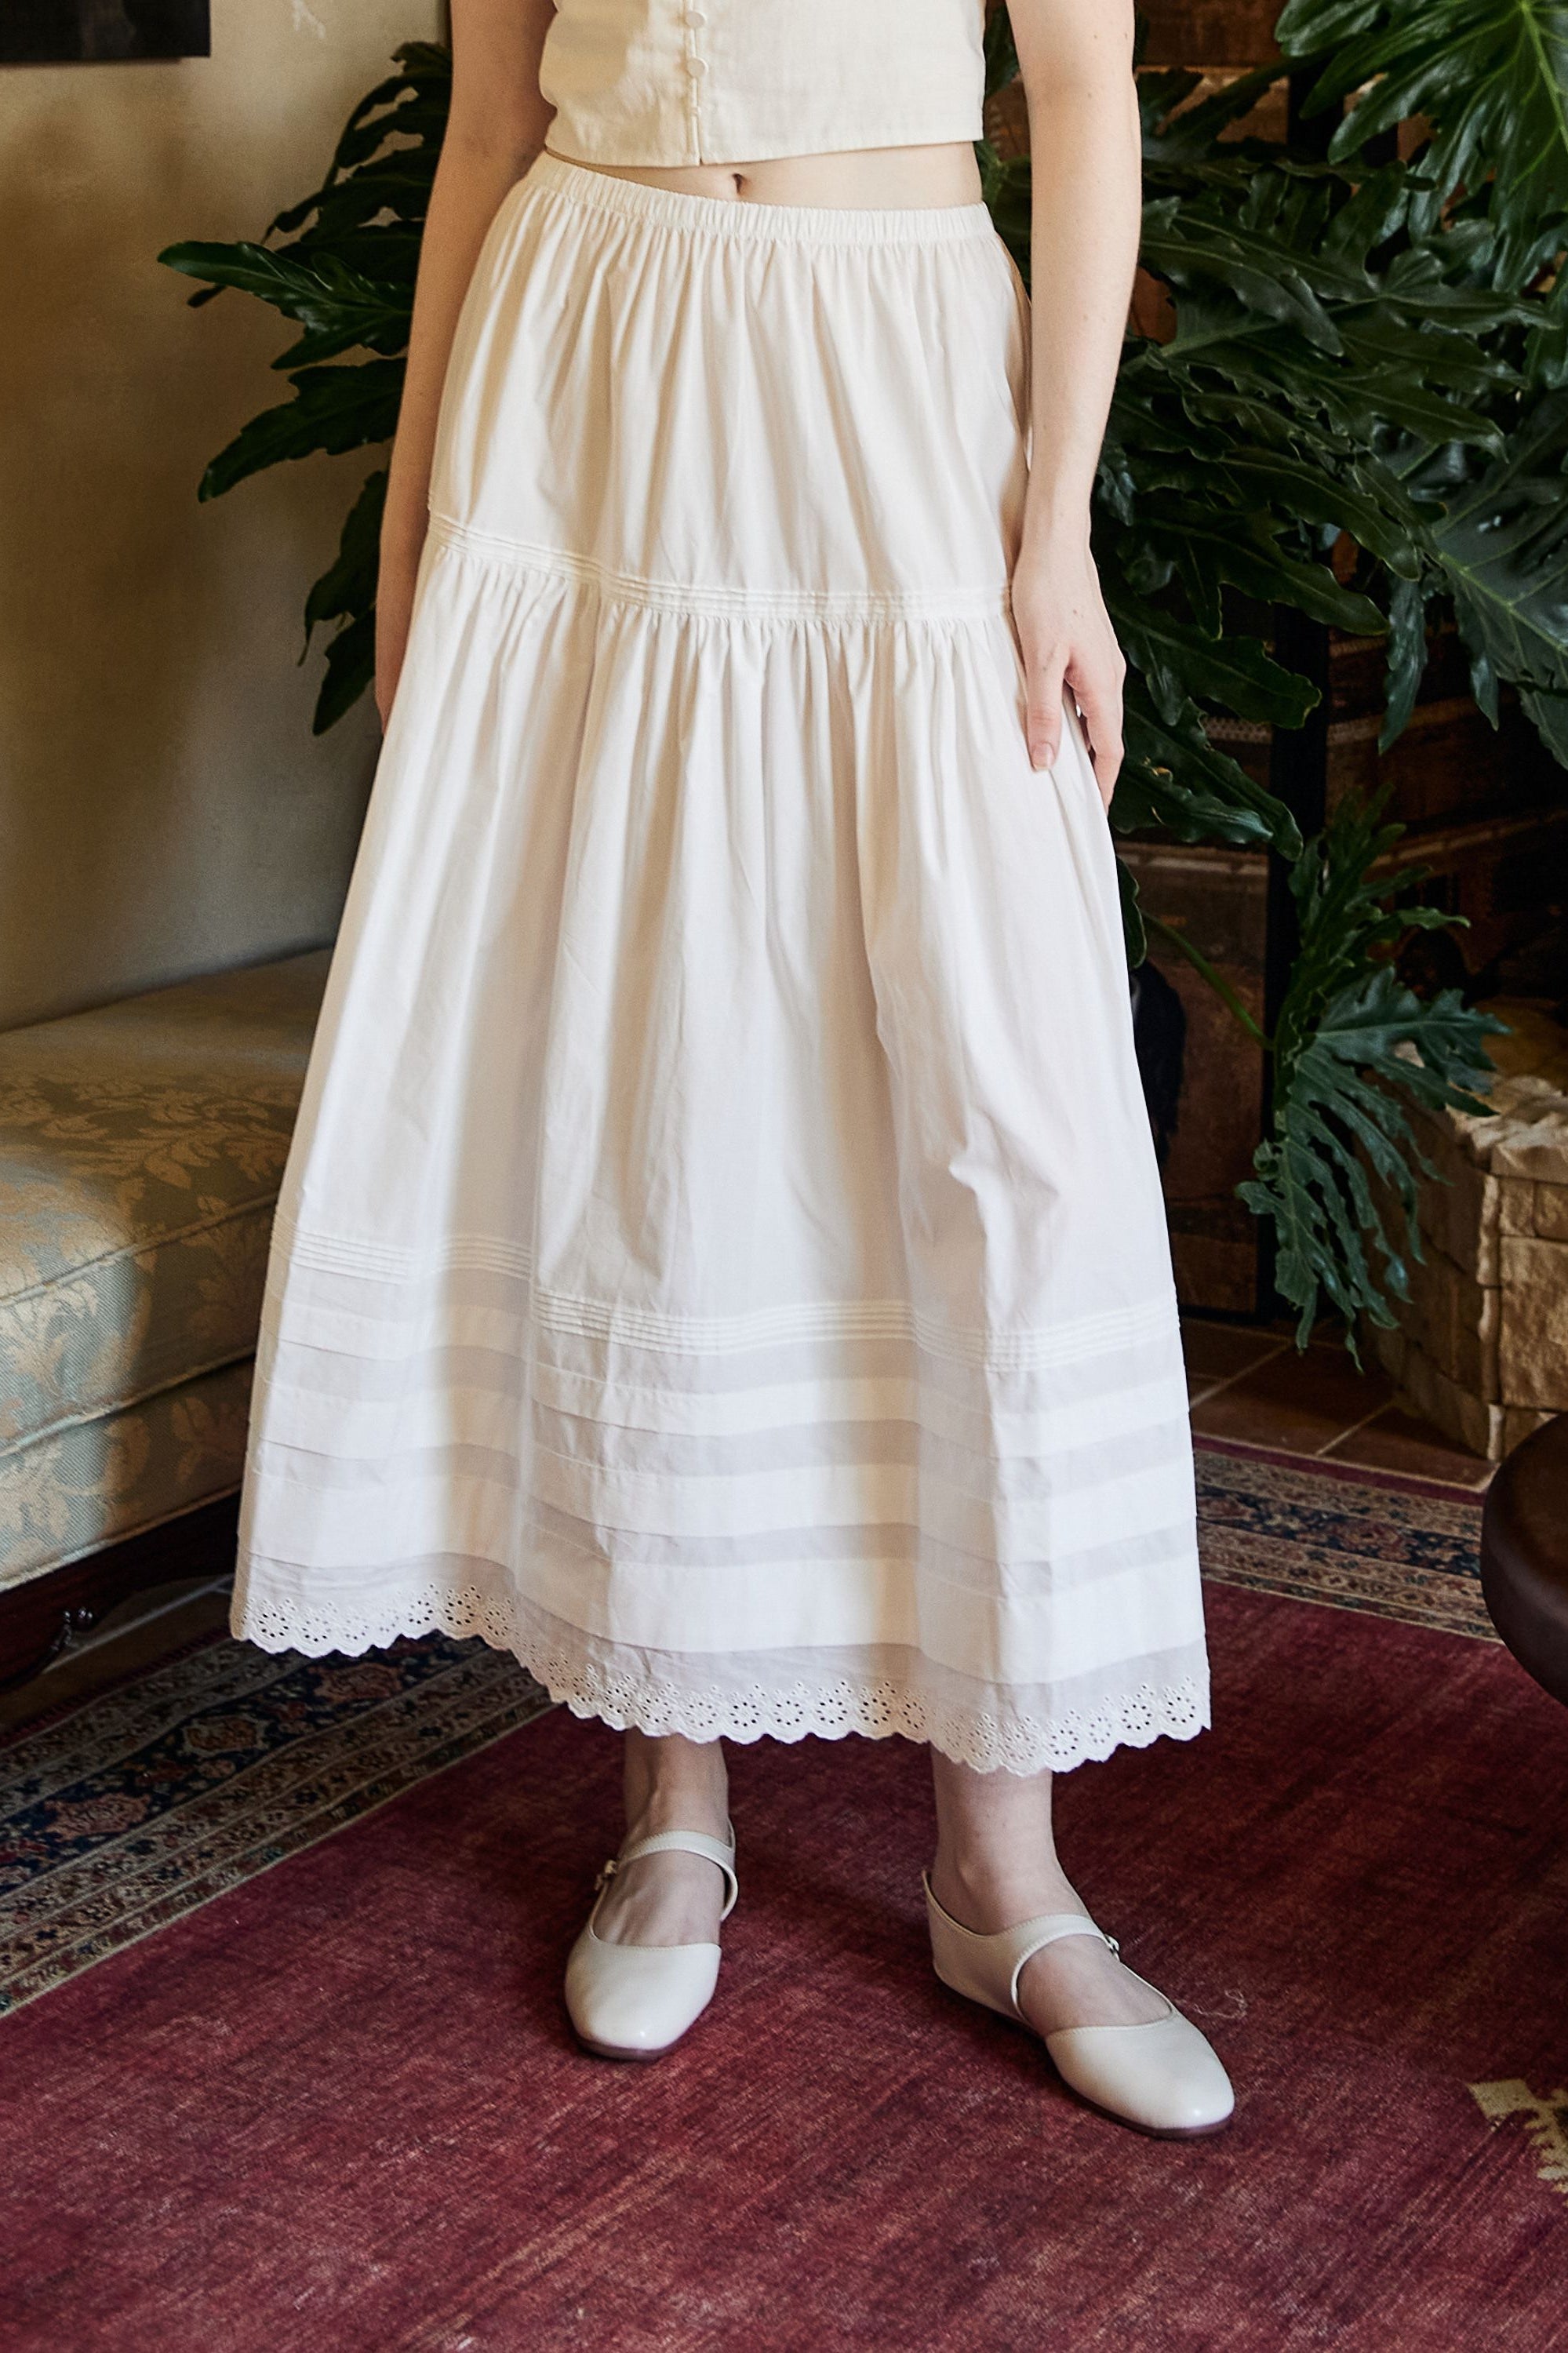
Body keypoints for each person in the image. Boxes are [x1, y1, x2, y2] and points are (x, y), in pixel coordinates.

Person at [231, 0, 1234, 2138]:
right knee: (648, 1080)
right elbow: (495, 119)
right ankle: (668, 1799)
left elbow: (1078, 86)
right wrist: (416, 530)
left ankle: (1005, 1873)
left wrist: (1053, 526)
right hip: (592, 382)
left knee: (997, 1109)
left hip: (893, 391)